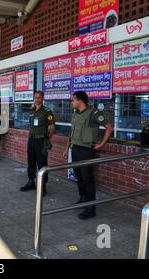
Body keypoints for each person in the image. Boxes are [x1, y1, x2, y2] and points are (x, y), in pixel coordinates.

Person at [62, 91, 114, 220]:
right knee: (78, 176)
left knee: (87, 179)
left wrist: (101, 144)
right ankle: (83, 199)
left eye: (73, 100)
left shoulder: (93, 113)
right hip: (75, 149)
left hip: (86, 150)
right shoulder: (75, 114)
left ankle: (90, 208)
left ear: (80, 101)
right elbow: (72, 132)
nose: (71, 102)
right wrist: (66, 147)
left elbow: (109, 127)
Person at [21, 91, 56, 195]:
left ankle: (42, 187)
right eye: (35, 97)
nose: (37, 99)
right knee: (31, 161)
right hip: (31, 139)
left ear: (43, 98)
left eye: (39, 97)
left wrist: (46, 138)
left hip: (41, 140)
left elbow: (53, 127)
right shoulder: (31, 110)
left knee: (41, 163)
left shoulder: (47, 111)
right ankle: (31, 181)